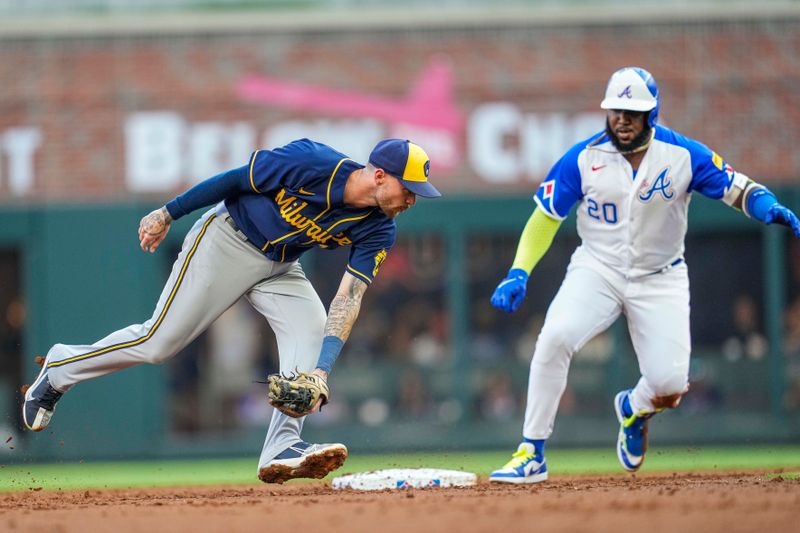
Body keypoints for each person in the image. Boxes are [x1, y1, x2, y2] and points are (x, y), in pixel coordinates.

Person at [21, 137, 441, 483]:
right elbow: (234, 180)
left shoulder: (379, 227)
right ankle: (61, 367)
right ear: (380, 175)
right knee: (158, 342)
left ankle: (281, 445)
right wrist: (169, 212)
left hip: (280, 264)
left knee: (311, 330)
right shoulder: (312, 161)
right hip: (227, 240)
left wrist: (322, 372)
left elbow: (349, 297)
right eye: (408, 190)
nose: (411, 200)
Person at [488, 67, 800, 484]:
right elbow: (544, 219)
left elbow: (739, 188)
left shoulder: (683, 155)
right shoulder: (581, 158)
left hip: (661, 276)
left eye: (633, 112)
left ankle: (634, 409)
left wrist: (767, 207)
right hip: (597, 268)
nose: (622, 119)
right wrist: (518, 272)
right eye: (616, 110)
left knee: (670, 385)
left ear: (652, 114)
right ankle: (532, 451)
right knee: (555, 335)